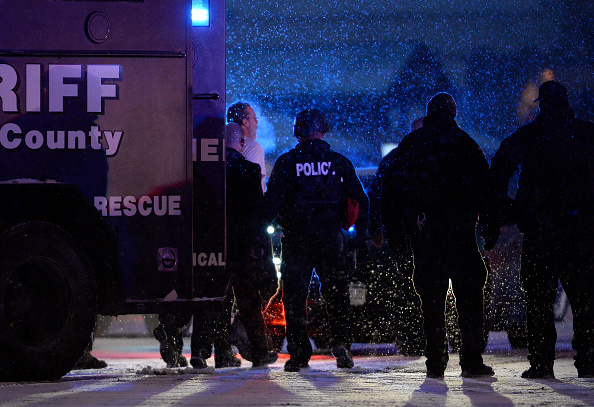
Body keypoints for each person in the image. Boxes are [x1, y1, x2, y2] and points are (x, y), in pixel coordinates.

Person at [381, 93, 494, 379]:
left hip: (427, 235)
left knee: (431, 302)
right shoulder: (466, 144)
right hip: (461, 236)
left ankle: (436, 360)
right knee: (469, 299)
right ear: (453, 113)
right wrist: (489, 226)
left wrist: (398, 233)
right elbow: (486, 189)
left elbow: (391, 192)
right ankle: (470, 359)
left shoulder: (412, 145)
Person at [487, 80, 594, 379]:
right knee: (585, 299)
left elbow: (498, 172)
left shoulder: (530, 136)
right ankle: (588, 358)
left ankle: (542, 363)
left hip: (541, 231)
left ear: (542, 104)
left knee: (538, 300)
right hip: (580, 231)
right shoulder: (586, 134)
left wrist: (507, 210)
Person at [262, 108, 369, 372]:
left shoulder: (288, 162)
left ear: (298, 131)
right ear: (323, 130)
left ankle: (299, 354)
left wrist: (255, 231)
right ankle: (342, 343)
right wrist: (361, 239)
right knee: (337, 294)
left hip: (297, 241)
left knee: (294, 298)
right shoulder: (339, 162)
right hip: (331, 240)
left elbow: (271, 205)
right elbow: (361, 200)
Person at [187, 123, 278, 369]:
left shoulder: (206, 170)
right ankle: (259, 352)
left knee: (210, 298)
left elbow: (199, 210)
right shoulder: (250, 170)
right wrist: (256, 243)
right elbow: (256, 212)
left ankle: (200, 351)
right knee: (249, 300)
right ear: (241, 144)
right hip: (242, 245)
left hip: (213, 243)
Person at [227, 102, 267, 192]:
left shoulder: (223, 147)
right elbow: (256, 184)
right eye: (254, 118)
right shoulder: (254, 147)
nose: (256, 122)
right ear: (245, 122)